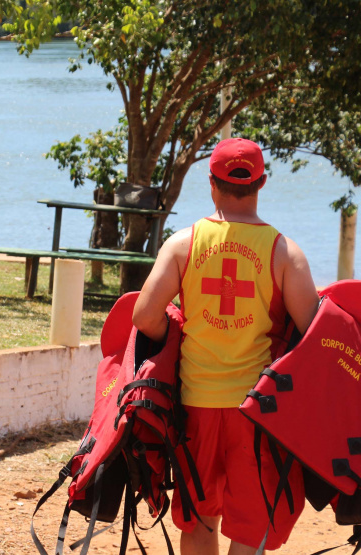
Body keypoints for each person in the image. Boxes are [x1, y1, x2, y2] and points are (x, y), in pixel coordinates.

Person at [131, 138, 320, 554]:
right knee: (250, 530)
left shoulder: (183, 244)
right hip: (257, 411)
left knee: (198, 521)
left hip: (195, 406)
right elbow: (313, 336)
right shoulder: (286, 253)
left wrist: (176, 332)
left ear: (211, 183)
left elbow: (144, 317)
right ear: (262, 183)